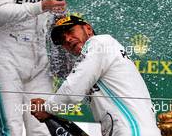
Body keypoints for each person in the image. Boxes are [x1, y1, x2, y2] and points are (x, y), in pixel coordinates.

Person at [31, 15, 161, 136]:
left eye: (70, 31)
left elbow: (71, 92)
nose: (68, 39)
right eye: (62, 40)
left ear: (88, 29)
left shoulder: (99, 43)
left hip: (133, 131)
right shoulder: (99, 55)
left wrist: (46, 107)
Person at [0, 0, 66, 135]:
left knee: (42, 127)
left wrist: (58, 15)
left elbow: (51, 16)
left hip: (40, 58)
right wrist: (42, 6)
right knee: (11, 128)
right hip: (7, 55)